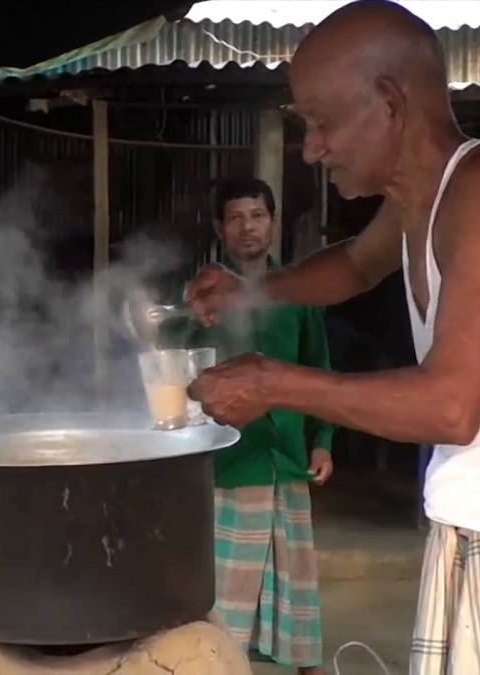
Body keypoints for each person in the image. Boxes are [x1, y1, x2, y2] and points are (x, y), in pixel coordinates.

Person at [182, 1, 480, 672]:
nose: (312, 148)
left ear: (388, 102)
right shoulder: (424, 196)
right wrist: (249, 290)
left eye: (322, 123)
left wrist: (271, 381)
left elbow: (450, 407)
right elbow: (356, 263)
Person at [158, 177, 334, 675]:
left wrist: (323, 442)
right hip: (232, 462)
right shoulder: (199, 297)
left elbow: (319, 368)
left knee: (296, 583)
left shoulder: (300, 294)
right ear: (220, 228)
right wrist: (182, 322)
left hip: (288, 458)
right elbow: (168, 365)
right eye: (235, 218)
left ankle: (307, 667)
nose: (247, 227)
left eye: (257, 215)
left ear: (273, 223)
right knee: (227, 597)